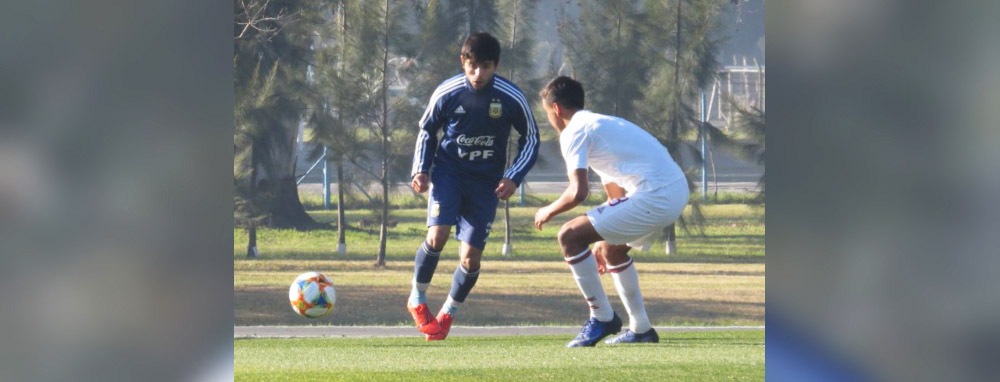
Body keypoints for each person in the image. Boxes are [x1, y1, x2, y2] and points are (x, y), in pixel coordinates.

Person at [533, 76, 689, 347]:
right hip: (674, 190)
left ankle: (602, 317)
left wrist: (548, 210)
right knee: (611, 250)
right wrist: (604, 237)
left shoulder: (574, 131)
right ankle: (641, 329)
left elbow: (577, 193)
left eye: (548, 115)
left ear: (556, 109)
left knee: (568, 236)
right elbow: (615, 196)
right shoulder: (600, 125)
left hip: (656, 194)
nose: (551, 121)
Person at [407, 32, 539, 341]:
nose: (478, 74)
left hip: (485, 184)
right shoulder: (448, 92)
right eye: (472, 66)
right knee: (437, 235)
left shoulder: (510, 96)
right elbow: (427, 130)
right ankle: (417, 298)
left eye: (486, 67)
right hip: (449, 173)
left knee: (470, 259)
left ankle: (448, 313)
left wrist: (513, 176)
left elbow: (531, 138)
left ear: (496, 65)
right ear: (463, 62)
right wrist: (421, 170)